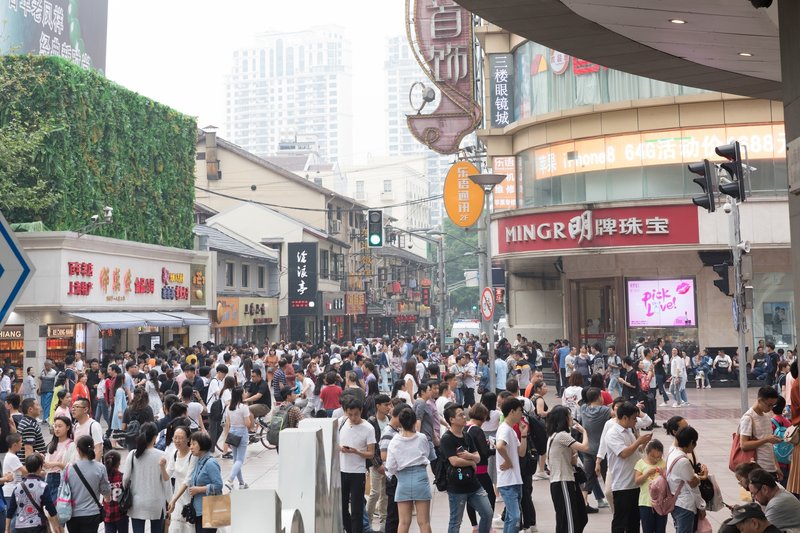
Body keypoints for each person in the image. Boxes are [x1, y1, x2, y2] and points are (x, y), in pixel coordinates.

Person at [440, 403, 493, 533]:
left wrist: (470, 456)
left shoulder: (467, 436)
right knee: (456, 521)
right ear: (451, 420)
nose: (465, 417)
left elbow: (478, 457)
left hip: (474, 484)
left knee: (488, 513)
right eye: (460, 415)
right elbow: (454, 461)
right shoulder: (447, 438)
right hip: (456, 486)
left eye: (464, 414)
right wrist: (471, 462)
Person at [606, 401, 653, 533]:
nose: (635, 421)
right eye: (633, 418)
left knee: (634, 521)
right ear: (624, 417)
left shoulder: (628, 431)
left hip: (635, 483)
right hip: (623, 485)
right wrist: (638, 441)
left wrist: (642, 445)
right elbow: (623, 453)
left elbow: (634, 451)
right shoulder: (613, 433)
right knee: (620, 522)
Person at [385, 407, 431, 533]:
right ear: (414, 421)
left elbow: (390, 466)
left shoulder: (394, 441)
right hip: (420, 477)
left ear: (400, 422)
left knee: (404, 522)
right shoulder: (421, 437)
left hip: (403, 480)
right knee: (424, 522)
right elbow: (426, 454)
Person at [545, 405, 589, 533]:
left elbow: (571, 459)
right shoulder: (561, 436)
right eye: (569, 415)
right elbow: (585, 447)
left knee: (576, 517)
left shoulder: (553, 436)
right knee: (569, 521)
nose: (571, 417)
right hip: (562, 480)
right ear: (563, 418)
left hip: (565, 480)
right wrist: (584, 431)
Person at [123, 421, 170, 533]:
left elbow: (125, 479)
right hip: (156, 503)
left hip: (137, 502)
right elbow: (166, 481)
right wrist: (170, 501)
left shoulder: (133, 454)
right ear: (155, 437)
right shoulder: (162, 455)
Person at [338, 396, 375, 533]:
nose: (353, 418)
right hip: (342, 470)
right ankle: (349, 530)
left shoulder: (368, 428)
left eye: (356, 414)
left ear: (361, 411)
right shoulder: (341, 422)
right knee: (341, 508)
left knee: (357, 510)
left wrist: (356, 452)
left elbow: (371, 453)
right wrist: (340, 448)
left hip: (358, 473)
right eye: (350, 414)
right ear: (346, 412)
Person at [63, 435, 111, 532]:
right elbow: (105, 489)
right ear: (93, 448)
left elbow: (62, 491)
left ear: (78, 449)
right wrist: (108, 499)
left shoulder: (69, 468)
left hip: (73, 514)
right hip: (92, 513)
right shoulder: (100, 467)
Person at [5, 453, 61, 533]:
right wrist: (56, 525)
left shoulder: (17, 487)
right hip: (38, 526)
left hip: (20, 527)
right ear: (40, 467)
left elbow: (11, 510)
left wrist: (7, 529)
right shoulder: (43, 486)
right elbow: (50, 508)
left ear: (27, 467)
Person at [496, 397, 528, 533]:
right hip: (507, 480)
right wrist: (508, 461)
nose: (522, 414)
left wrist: (524, 435)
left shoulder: (511, 430)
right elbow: (499, 446)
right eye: (520, 411)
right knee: (515, 516)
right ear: (512, 411)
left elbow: (521, 453)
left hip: (515, 479)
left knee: (511, 517)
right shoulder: (505, 429)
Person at [666, 426, 706, 533]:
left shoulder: (672, 452)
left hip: (676, 501)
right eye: (695, 443)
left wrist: (696, 476)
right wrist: (701, 506)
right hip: (685, 505)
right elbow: (693, 486)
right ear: (691, 442)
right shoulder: (683, 461)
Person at [577, 387, 610, 510]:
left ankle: (584, 503)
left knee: (588, 476)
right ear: (598, 397)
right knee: (607, 476)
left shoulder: (584, 409)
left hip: (587, 449)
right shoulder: (604, 410)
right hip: (602, 451)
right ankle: (612, 501)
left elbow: (579, 402)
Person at [465, 402, 496, 531]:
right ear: (483, 416)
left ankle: (475, 525)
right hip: (481, 470)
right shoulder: (477, 430)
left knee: (470, 498)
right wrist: (494, 449)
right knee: (491, 496)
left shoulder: (466, 427)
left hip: (469, 469)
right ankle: (487, 525)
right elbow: (483, 452)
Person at [184, 431, 223, 533]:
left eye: (193, 444)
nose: (191, 447)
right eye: (190, 444)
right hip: (199, 510)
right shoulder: (199, 461)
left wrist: (199, 489)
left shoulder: (211, 463)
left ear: (202, 444)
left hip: (210, 510)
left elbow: (218, 485)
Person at [739, 386, 782, 476]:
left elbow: (769, 445)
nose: (771, 408)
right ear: (759, 400)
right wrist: (766, 440)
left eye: (773, 405)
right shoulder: (748, 418)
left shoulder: (766, 416)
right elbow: (743, 445)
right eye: (769, 405)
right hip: (758, 468)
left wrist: (776, 466)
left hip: (771, 467)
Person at [166, 426, 198, 533]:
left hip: (191, 497)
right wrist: (161, 467)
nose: (177, 440)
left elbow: (187, 480)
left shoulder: (192, 455)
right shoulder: (174, 454)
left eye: (180, 438)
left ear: (188, 439)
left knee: (189, 528)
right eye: (175, 437)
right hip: (178, 497)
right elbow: (167, 475)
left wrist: (173, 500)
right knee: (175, 528)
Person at [366, 395, 391, 531]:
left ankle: (383, 523)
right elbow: (371, 445)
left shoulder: (390, 420)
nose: (388, 407)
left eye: (389, 404)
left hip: (389, 465)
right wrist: (378, 464)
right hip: (376, 464)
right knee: (375, 493)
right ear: (378, 406)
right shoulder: (371, 422)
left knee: (385, 494)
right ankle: (367, 522)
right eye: (386, 404)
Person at [634, 439, 667, 533]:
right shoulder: (640, 463)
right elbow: (637, 481)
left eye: (659, 457)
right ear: (647, 453)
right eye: (653, 456)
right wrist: (647, 474)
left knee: (661, 529)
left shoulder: (663, 463)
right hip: (646, 503)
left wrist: (663, 473)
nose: (656, 459)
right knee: (647, 529)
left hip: (661, 502)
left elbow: (669, 480)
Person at [223, 386, 251, 490]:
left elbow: (227, 422)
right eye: (244, 392)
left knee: (236, 459)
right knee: (240, 460)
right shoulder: (243, 407)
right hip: (242, 432)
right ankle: (230, 480)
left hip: (232, 432)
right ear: (240, 395)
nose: (245, 394)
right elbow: (247, 423)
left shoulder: (229, 407)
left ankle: (241, 483)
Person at [43, 415, 75, 497]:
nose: (57, 429)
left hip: (61, 478)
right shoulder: (52, 445)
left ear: (68, 427)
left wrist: (56, 464)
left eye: (60, 426)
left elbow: (71, 467)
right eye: (55, 426)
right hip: (49, 478)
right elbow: (47, 466)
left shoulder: (71, 445)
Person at [71, 395, 105, 460]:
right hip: (77, 466)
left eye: (77, 407)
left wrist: (93, 468)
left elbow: (99, 450)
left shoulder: (93, 426)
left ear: (85, 409)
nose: (73, 409)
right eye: (72, 407)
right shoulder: (75, 426)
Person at [103, 450, 127, 533]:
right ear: (119, 463)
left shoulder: (103, 477)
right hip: (121, 514)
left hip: (107, 513)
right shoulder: (122, 476)